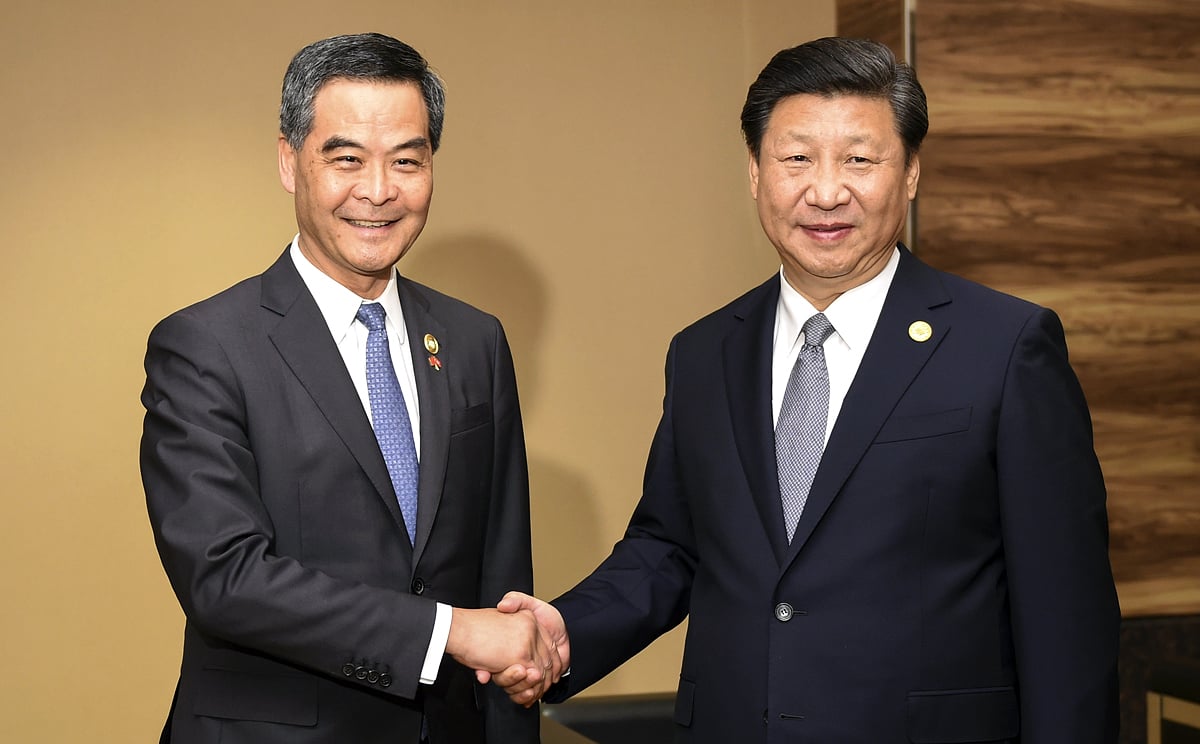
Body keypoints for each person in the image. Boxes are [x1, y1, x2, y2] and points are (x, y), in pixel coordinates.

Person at [495, 37, 1120, 742]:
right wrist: (564, 631)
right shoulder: (705, 353)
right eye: (796, 159)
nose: (826, 192)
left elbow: (1066, 617)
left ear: (911, 173)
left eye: (860, 158)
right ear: (756, 174)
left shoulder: (1005, 348)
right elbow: (671, 547)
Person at [140, 33, 560, 744]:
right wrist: (447, 631)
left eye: (407, 160)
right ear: (288, 162)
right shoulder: (206, 346)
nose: (377, 191)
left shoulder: (472, 341)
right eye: (345, 159)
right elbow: (226, 578)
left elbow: (499, 576)